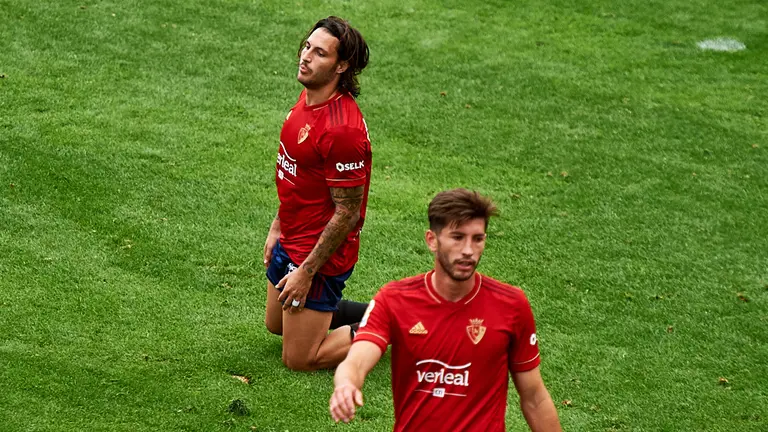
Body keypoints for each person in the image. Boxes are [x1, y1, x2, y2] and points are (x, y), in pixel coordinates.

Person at [330, 189, 562, 431]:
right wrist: (347, 383)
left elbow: (535, 398)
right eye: (458, 237)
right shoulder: (394, 299)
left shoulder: (512, 305)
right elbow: (357, 360)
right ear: (432, 240)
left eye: (478, 239)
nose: (468, 251)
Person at [263, 16, 371, 371]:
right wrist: (277, 228)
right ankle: (368, 311)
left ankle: (390, 326)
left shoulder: (342, 131)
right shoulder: (308, 98)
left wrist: (307, 272)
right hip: (292, 235)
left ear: (341, 66)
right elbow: (297, 175)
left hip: (319, 255)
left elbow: (347, 212)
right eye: (307, 46)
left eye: (319, 53)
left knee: (300, 358)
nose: (305, 56)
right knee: (275, 325)